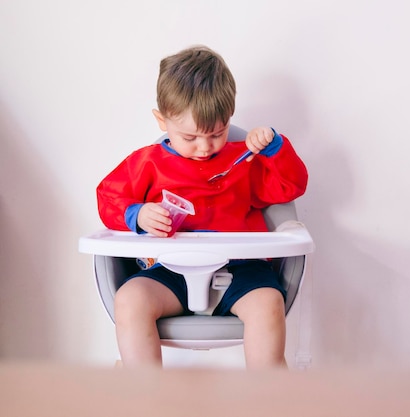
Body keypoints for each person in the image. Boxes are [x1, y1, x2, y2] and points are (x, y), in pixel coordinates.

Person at [96, 45, 308, 369]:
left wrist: (274, 148)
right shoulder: (147, 164)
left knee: (268, 303)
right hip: (169, 270)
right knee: (130, 300)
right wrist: (137, 215)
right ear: (161, 121)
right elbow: (108, 197)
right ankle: (143, 391)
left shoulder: (243, 160)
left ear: (229, 120)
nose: (205, 147)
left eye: (217, 134)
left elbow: (290, 187)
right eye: (190, 136)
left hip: (242, 270)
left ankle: (269, 396)